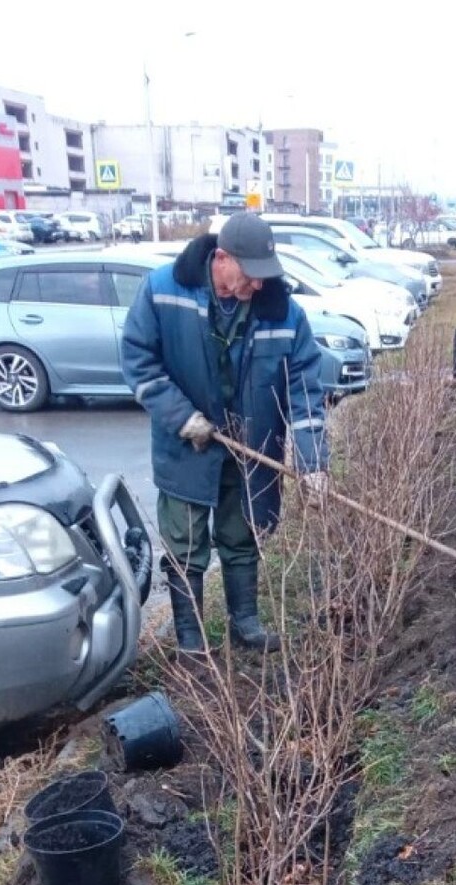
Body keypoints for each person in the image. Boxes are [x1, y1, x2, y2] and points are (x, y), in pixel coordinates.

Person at [121, 211, 329, 657]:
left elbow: (305, 394)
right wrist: (182, 417)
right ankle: (191, 640)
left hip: (250, 449)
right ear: (221, 258)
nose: (258, 284)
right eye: (250, 273)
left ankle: (245, 625)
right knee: (186, 541)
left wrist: (313, 464)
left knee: (242, 534)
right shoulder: (163, 291)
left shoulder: (284, 314)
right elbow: (139, 362)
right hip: (187, 447)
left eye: (264, 274)